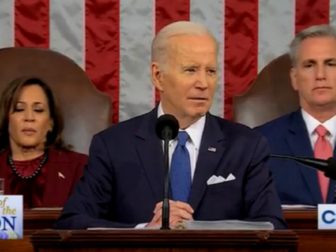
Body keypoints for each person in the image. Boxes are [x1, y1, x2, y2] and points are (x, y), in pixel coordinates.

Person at [55, 21, 286, 229]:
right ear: (158, 76)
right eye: (191, 70)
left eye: (211, 71)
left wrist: (203, 231)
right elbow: (72, 223)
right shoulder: (113, 146)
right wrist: (144, 231)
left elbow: (272, 226)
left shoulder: (246, 146)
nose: (203, 83)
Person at [255, 24, 336, 205]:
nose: (320, 75)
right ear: (294, 78)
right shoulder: (260, 142)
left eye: (331, 64)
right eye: (309, 65)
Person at [0, 76, 88, 208]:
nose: (29, 118)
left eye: (38, 110)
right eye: (19, 109)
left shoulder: (80, 168)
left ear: (51, 123)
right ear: (7, 119)